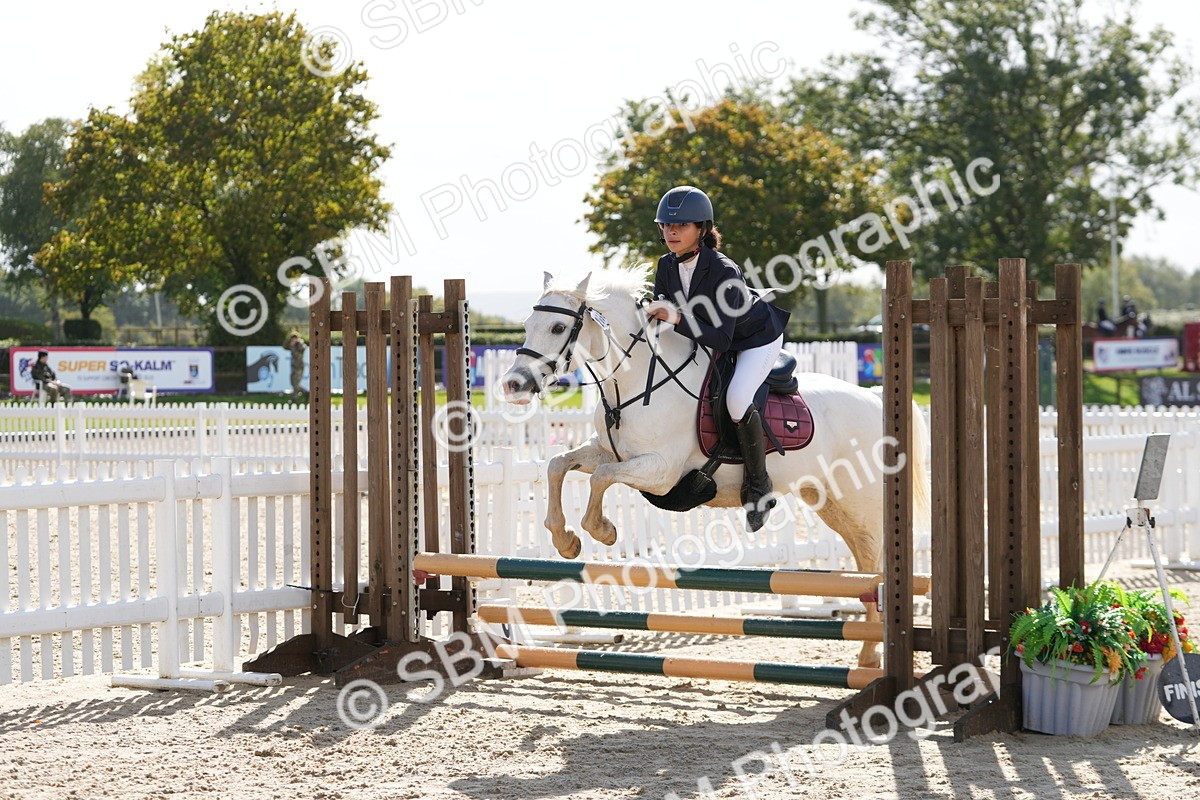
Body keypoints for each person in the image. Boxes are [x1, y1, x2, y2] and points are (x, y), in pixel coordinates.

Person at [645, 185, 791, 531]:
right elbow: (660, 316)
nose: (671, 232)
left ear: (702, 229)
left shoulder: (725, 271)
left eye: (681, 226)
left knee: (738, 399)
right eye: (666, 226)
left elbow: (722, 337)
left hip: (753, 338)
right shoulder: (666, 265)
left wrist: (676, 317)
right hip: (709, 334)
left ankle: (758, 486)